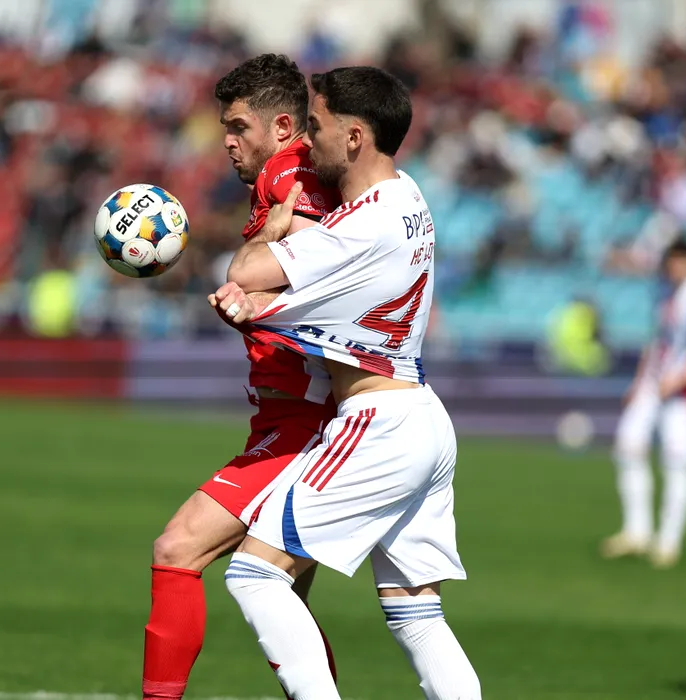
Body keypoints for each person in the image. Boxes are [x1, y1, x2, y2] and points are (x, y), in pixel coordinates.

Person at [210, 66, 481, 700]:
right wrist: (263, 303)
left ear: (354, 136)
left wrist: (269, 240)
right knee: (417, 614)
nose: (307, 139)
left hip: (376, 421)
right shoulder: (408, 198)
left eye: (317, 125)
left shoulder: (361, 228)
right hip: (422, 413)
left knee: (254, 574)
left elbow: (244, 270)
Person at [141, 55, 341, 700]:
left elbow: (309, 265)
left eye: (237, 127)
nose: (226, 141)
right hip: (297, 419)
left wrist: (252, 284)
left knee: (178, 548)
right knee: (287, 608)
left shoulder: (290, 172)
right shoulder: (294, 175)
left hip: (304, 427)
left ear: (281, 126)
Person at [601, 237, 686, 568]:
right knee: (628, 446)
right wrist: (639, 381)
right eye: (670, 260)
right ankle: (637, 531)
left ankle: (668, 542)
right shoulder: (664, 291)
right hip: (655, 383)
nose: (673, 267)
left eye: (678, 260)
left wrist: (680, 378)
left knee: (677, 461)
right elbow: (657, 341)